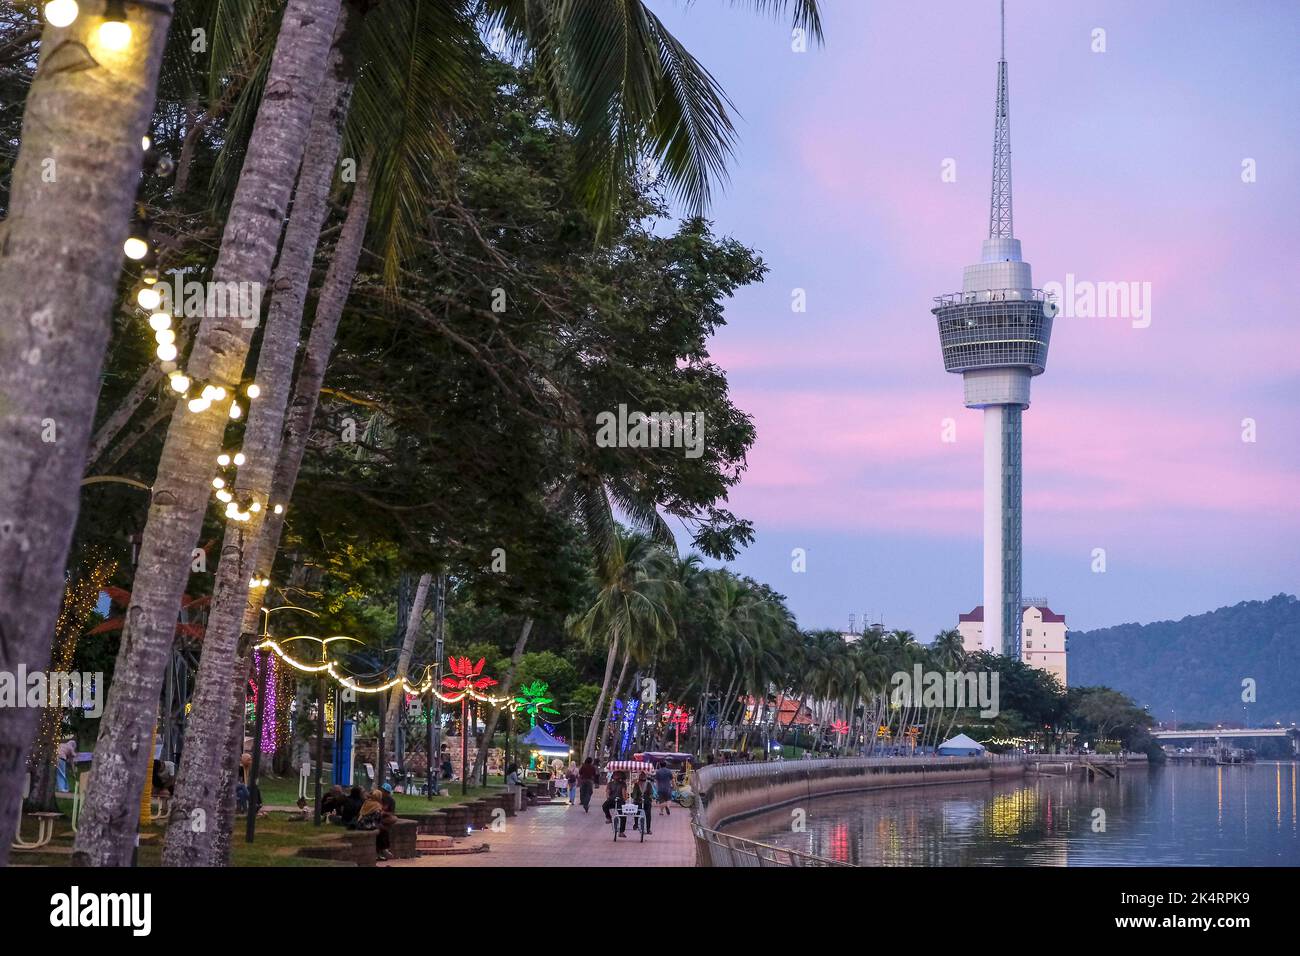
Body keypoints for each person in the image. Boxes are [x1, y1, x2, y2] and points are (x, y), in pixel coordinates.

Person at [602, 771, 628, 837]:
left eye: (618, 775)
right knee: (604, 806)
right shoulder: (610, 784)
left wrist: (624, 798)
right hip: (612, 800)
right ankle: (609, 818)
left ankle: (621, 831)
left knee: (623, 815)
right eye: (615, 775)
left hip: (620, 801)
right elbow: (608, 792)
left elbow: (624, 793)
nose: (616, 776)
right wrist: (608, 797)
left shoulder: (623, 784)